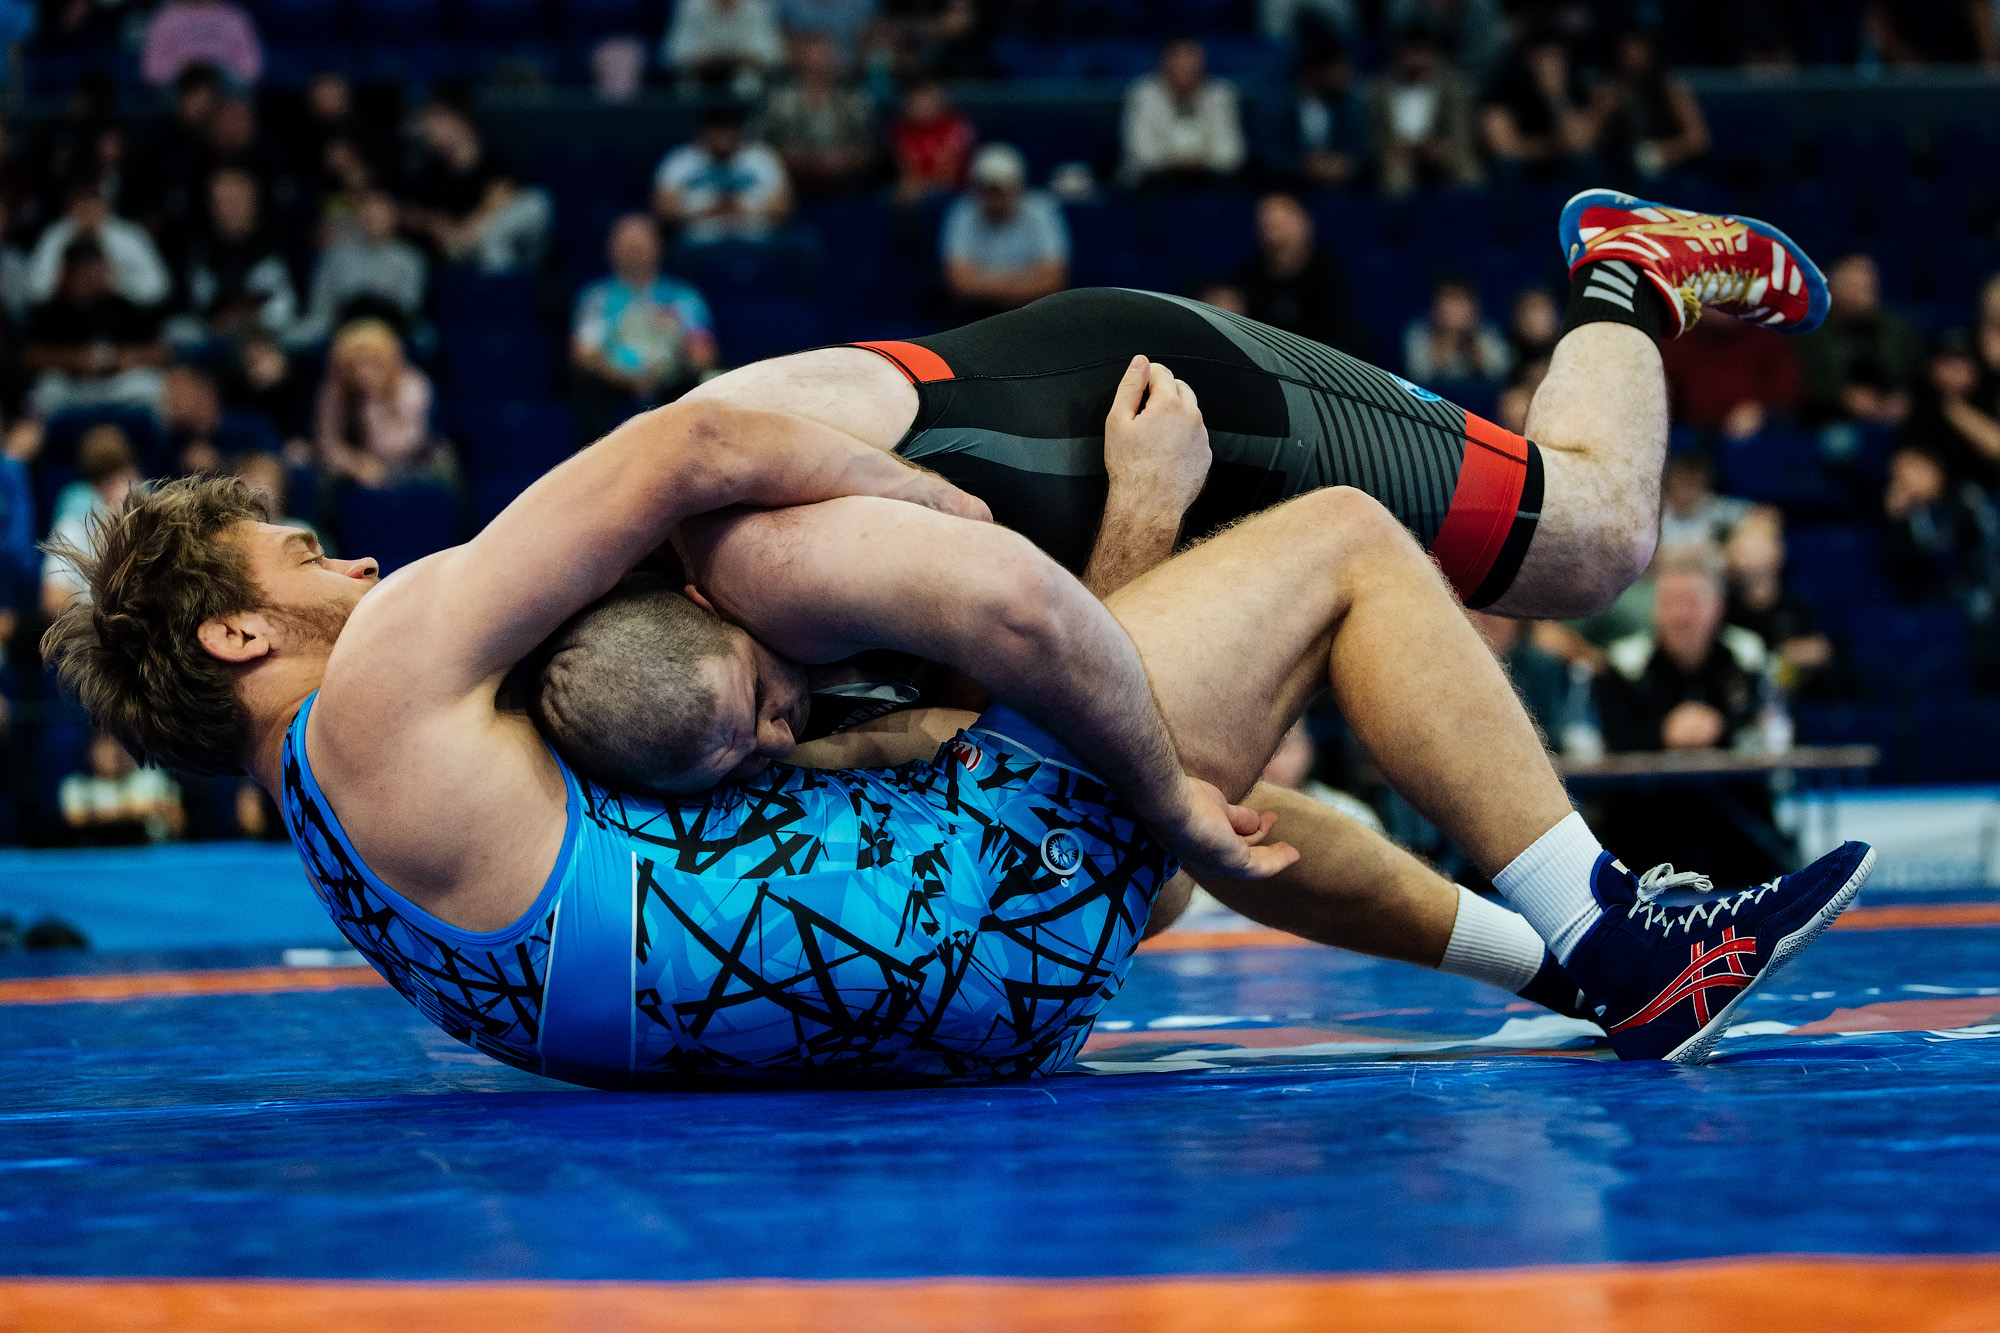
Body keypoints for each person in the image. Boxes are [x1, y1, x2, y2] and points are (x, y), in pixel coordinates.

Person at [43, 359, 1872, 1088]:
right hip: (972, 911)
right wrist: (933, 504)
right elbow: (690, 442)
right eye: (300, 552)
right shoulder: (377, 685)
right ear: (233, 629)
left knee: (1171, 792)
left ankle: (1545, 964)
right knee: (1333, 546)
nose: (356, 555)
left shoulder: (354, 855)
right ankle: (1612, 931)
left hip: (952, 991)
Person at [673, 187, 1832, 622]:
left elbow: (697, 437)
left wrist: (1139, 506)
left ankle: (1626, 270)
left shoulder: (690, 512)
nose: (773, 733)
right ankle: (1567, 934)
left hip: (1174, 395)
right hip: (1088, 472)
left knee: (1590, 540)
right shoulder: (725, 601)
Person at [1594, 543, 1791, 884]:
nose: (1681, 616)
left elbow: (1776, 734)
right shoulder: (1623, 664)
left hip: (1740, 840)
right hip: (1643, 839)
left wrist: (1722, 730)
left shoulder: (1750, 658)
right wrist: (1662, 735)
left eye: (1692, 602)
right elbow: (1603, 748)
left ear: (1718, 605)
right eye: (1671, 602)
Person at [571, 215, 718, 441]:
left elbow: (703, 352)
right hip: (613, 385)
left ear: (658, 247)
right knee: (584, 380)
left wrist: (670, 371)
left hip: (671, 385)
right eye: (627, 245)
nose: (634, 251)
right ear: (611, 250)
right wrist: (626, 380)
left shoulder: (684, 296)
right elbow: (584, 353)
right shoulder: (596, 298)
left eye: (640, 244)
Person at [398, 100, 551, 275]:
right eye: (430, 126)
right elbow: (409, 211)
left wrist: (471, 230)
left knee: (535, 202)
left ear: (462, 122)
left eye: (441, 122)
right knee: (488, 242)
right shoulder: (430, 173)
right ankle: (501, 287)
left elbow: (501, 195)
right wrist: (437, 225)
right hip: (468, 248)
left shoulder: (495, 156)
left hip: (509, 237)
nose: (434, 131)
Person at [24, 239, 168, 416]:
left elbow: (160, 351)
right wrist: (76, 359)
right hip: (72, 386)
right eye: (86, 273)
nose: (95, 277)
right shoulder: (52, 311)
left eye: (99, 270)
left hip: (116, 384)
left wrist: (123, 358)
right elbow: (29, 356)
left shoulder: (122, 306)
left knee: (149, 387)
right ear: (69, 273)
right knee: (47, 390)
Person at [1218, 192, 1361, 354]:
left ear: (1305, 223)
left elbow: (1340, 338)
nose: (1271, 227)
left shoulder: (1330, 274)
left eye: (1281, 221)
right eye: (1266, 221)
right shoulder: (1245, 278)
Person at [939, 143, 1068, 321]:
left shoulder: (1043, 209)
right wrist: (1024, 281)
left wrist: (984, 280)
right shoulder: (962, 211)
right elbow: (959, 283)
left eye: (1001, 191)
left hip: (1032, 311)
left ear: (1018, 188)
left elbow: (1053, 280)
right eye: (987, 191)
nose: (995, 200)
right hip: (978, 313)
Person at [1794, 253, 1924, 429]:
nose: (1864, 295)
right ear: (1833, 288)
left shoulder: (1897, 328)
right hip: (1827, 421)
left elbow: (1918, 376)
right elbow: (1802, 384)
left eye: (1869, 286)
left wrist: (1904, 397)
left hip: (1894, 420)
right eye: (1855, 286)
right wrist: (1842, 397)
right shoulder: (1811, 330)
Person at [171, 166, 299, 342]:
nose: (229, 208)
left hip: (272, 336)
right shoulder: (198, 249)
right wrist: (220, 321)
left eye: (236, 199)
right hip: (212, 337)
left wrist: (248, 321)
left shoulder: (284, 243)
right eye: (221, 201)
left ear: (254, 199)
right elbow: (197, 302)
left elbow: (287, 304)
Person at [1724, 508, 1838, 701]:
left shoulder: (1798, 606)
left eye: (1756, 547)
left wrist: (1793, 653)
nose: (1746, 556)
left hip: (1794, 700)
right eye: (1741, 547)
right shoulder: (1722, 609)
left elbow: (1821, 650)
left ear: (1778, 554)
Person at [313, 320, 438, 487]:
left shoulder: (413, 385)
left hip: (412, 465)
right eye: (354, 365)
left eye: (373, 363)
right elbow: (328, 445)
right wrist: (355, 464)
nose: (363, 372)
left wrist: (374, 402)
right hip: (357, 470)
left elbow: (406, 443)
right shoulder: (335, 390)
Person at [296, 188, 428, 346]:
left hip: (394, 335)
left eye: (379, 213)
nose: (371, 218)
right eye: (366, 211)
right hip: (342, 334)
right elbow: (320, 310)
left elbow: (410, 309)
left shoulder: (410, 257)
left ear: (393, 216)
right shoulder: (335, 256)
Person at [652, 105, 792, 248]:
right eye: (716, 130)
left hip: (757, 241)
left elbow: (782, 208)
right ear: (703, 133)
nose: (722, 137)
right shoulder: (681, 160)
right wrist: (710, 210)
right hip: (699, 243)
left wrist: (741, 210)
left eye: (727, 130)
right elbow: (665, 211)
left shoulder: (761, 157)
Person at [1367, 24, 1480, 198]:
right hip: (1397, 153)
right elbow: (1375, 134)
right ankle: (1399, 216)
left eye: (1423, 53)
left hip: (1441, 148)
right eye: (1412, 53)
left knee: (1468, 173)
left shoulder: (1453, 86)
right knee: (1395, 181)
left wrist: (1441, 148)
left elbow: (1460, 133)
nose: (1417, 60)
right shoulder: (1379, 90)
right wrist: (1396, 149)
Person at [756, 30, 874, 196]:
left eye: (823, 54)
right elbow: (762, 145)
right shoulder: (779, 99)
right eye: (810, 54)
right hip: (791, 180)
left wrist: (844, 159)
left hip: (845, 180)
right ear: (798, 59)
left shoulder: (852, 97)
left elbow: (868, 144)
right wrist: (793, 158)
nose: (816, 61)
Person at [40, 423, 141, 617]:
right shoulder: (75, 516)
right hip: (94, 623)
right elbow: (52, 599)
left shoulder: (151, 508)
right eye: (109, 480)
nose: (119, 488)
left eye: (125, 476)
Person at [1119, 38, 1246, 189]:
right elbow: (1142, 154)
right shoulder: (1142, 93)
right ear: (1163, 62)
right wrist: (1178, 159)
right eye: (1178, 58)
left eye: (1191, 58)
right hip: (1152, 182)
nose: (1185, 65)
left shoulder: (1221, 93)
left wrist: (1198, 160)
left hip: (1210, 179)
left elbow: (1232, 154)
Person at [26, 177, 171, 309]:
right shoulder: (55, 235)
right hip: (64, 313)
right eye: (81, 203)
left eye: (93, 202)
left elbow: (159, 288)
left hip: (121, 313)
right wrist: (67, 284)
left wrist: (115, 284)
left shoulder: (129, 235)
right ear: (70, 205)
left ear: (106, 204)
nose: (88, 210)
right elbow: (34, 290)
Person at [1587, 31, 1708, 186]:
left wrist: (1661, 152)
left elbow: (1698, 140)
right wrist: (1607, 109)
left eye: (1638, 50)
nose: (1632, 58)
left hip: (1668, 172)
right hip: (1617, 170)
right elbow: (1587, 141)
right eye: (1627, 51)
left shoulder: (1670, 88)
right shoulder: (1607, 89)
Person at [1658, 310, 1802, 440]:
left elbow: (1791, 399)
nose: (1722, 306)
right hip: (1691, 441)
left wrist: (1762, 414)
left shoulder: (1765, 337)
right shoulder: (1675, 338)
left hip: (1754, 441)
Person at [1479, 26, 1594, 184]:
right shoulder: (1505, 89)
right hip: (1523, 171)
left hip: (1561, 166)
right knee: (1506, 167)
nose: (1549, 66)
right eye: (1541, 58)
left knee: (1587, 161)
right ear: (1527, 60)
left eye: (1556, 58)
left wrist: (1555, 97)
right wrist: (1552, 146)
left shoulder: (1574, 87)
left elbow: (1578, 142)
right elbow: (1505, 149)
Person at [60, 731, 184, 845]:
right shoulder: (77, 786)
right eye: (104, 747)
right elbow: (74, 822)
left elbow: (179, 823)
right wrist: (137, 812)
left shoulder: (153, 779)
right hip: (95, 855)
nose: (113, 753)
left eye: (118, 745)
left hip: (152, 851)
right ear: (90, 752)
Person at [160, 361, 277, 474]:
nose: (170, 400)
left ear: (206, 393)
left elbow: (274, 471)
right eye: (168, 393)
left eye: (179, 392)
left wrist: (220, 464)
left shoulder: (249, 427)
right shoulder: (170, 441)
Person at [1402, 277, 1510, 390]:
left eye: (1462, 301)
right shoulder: (1417, 332)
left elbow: (1501, 373)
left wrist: (1472, 343)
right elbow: (1419, 375)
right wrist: (1448, 339)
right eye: (1450, 301)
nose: (1456, 309)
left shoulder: (1487, 331)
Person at [663, 0, 785, 93]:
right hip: (699, 83)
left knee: (748, 83)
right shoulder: (692, 6)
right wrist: (705, 59)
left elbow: (772, 55)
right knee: (686, 85)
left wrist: (737, 58)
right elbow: (673, 55)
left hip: (745, 83)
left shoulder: (756, 7)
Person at [890, 74, 976, 205]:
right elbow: (907, 173)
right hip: (915, 193)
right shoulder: (901, 130)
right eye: (916, 100)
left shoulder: (957, 125)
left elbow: (950, 175)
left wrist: (923, 188)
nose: (922, 105)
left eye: (926, 99)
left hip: (956, 193)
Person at [140, 0, 261, 89]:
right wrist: (190, 68)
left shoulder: (235, 18)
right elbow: (152, 72)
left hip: (225, 93)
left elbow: (253, 70)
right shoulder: (167, 19)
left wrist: (215, 68)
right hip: (178, 93)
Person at [1658, 452, 1753, 549]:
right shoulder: (1656, 510)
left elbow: (1757, 514)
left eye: (1693, 485)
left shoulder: (1715, 507)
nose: (1686, 490)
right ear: (1670, 481)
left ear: (1705, 488)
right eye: (1682, 482)